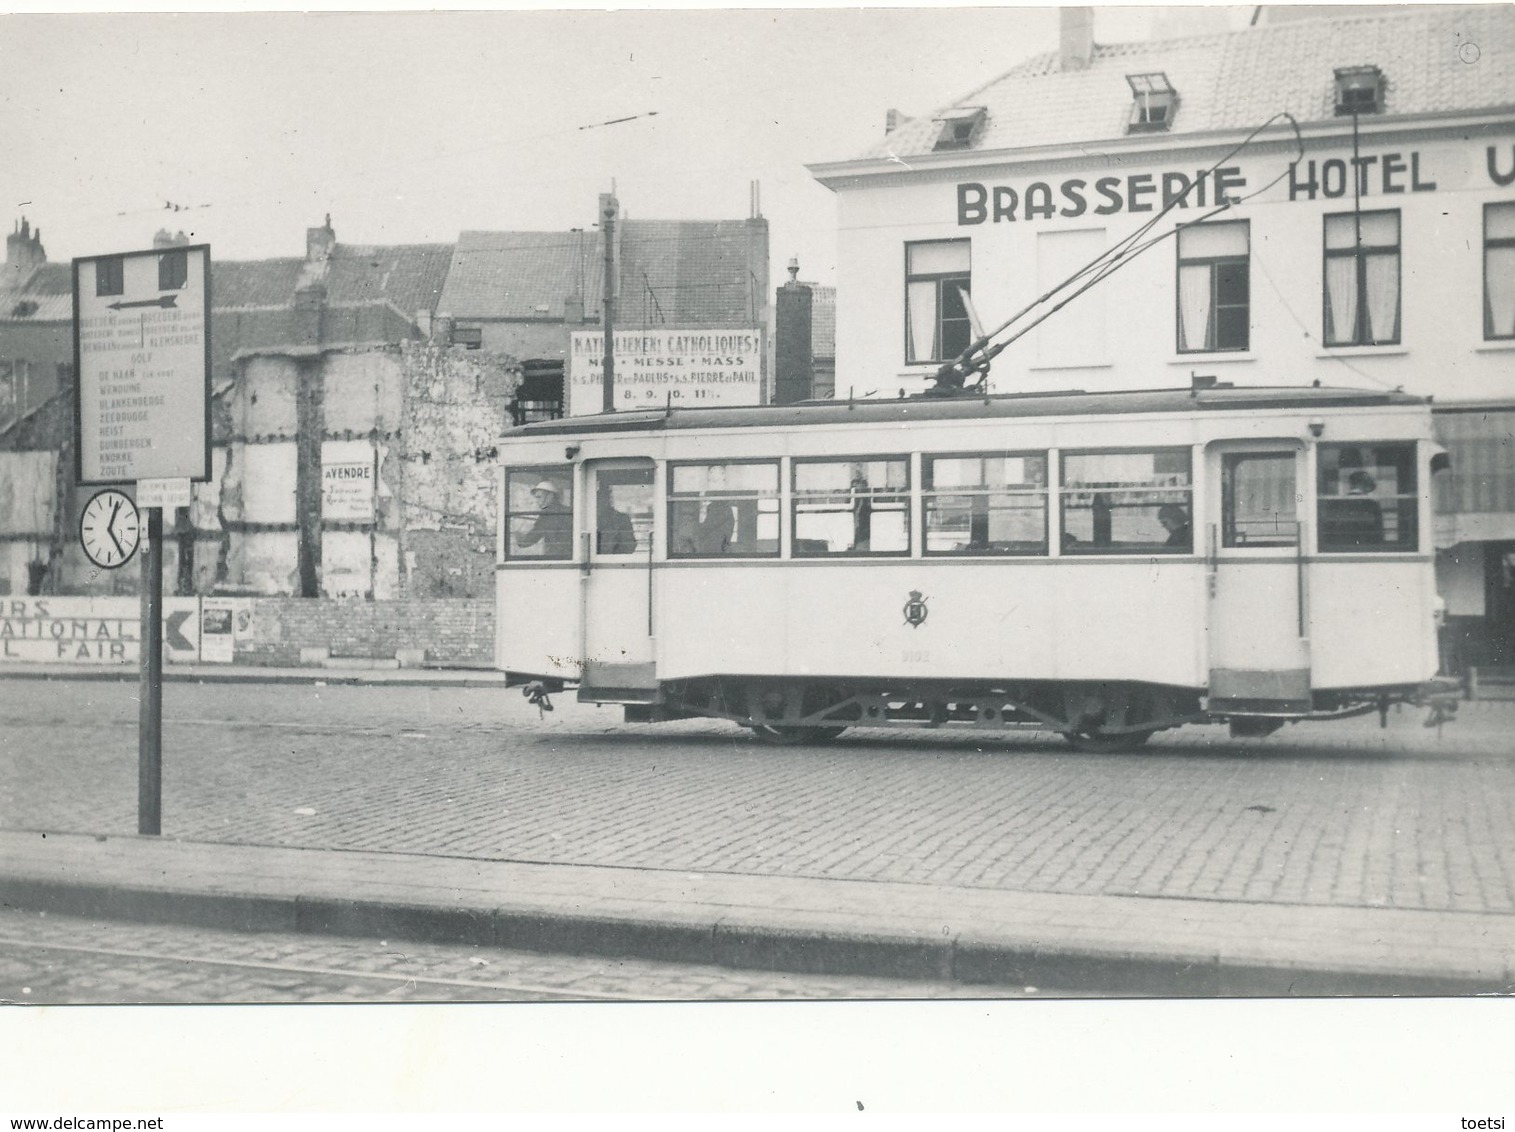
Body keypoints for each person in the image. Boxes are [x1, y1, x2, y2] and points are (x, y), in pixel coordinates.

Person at [515, 480, 572, 557]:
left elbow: (527, 541)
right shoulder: (568, 510)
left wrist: (516, 533)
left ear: (550, 496)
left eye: (539, 497)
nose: (536, 501)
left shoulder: (546, 515)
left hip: (556, 558)